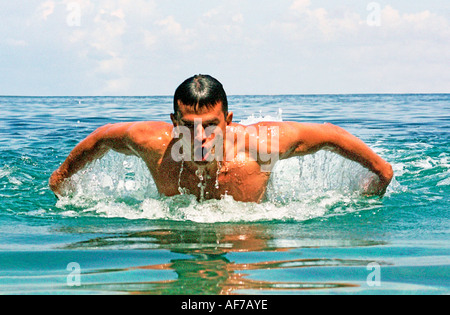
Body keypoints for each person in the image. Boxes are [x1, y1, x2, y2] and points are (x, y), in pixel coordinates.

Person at [49, 74, 393, 203]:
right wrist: (62, 178)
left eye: (211, 125)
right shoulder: (152, 143)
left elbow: (331, 135)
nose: (200, 137)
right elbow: (102, 137)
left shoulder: (261, 147)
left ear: (228, 121)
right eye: (188, 126)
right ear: (174, 121)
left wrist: (380, 172)